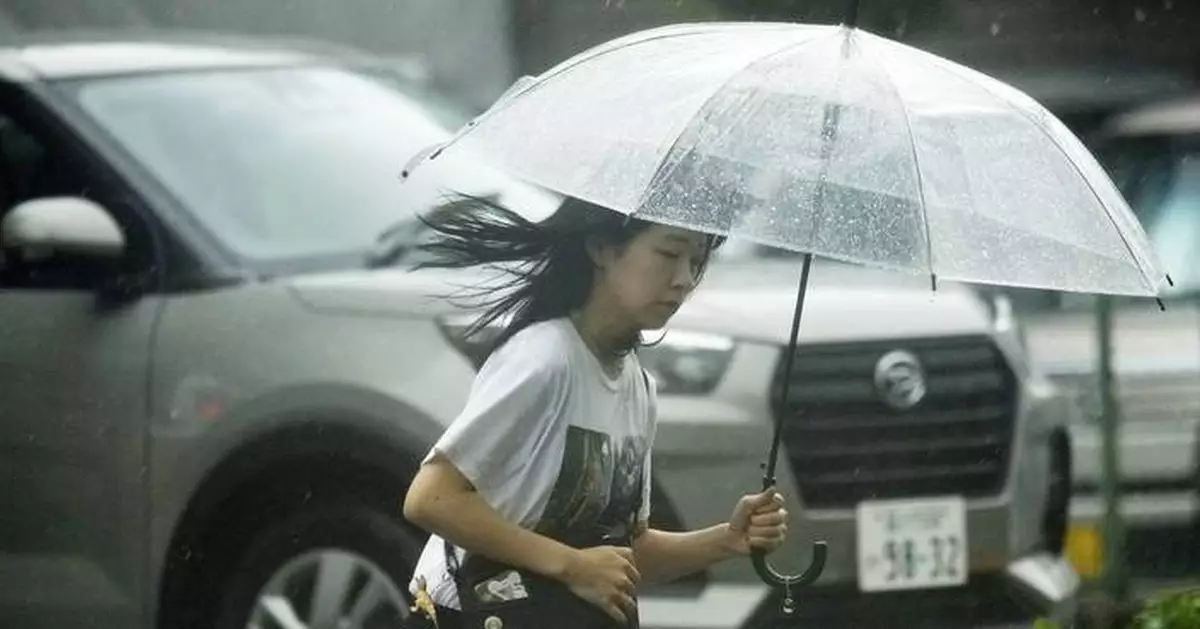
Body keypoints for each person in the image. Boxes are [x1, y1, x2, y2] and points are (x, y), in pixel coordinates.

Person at [401, 194, 790, 628]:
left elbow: (623, 555)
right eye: (668, 253)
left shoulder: (638, 386)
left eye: (696, 261)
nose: (683, 279)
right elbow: (432, 498)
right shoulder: (545, 358)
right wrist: (571, 565)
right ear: (602, 248)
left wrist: (726, 540)